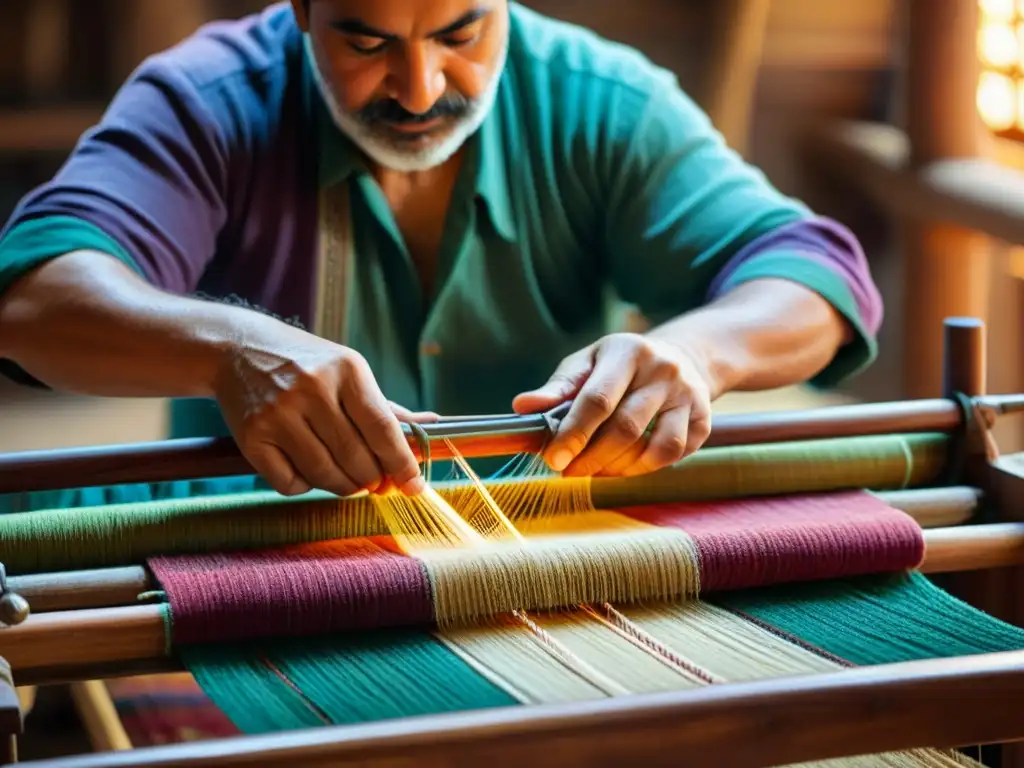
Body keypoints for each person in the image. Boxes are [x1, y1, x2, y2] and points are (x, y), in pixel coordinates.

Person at [0, 0, 882, 513]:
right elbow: (34, 296)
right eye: (367, 42)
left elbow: (811, 273)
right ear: (302, 12)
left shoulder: (602, 103)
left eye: (460, 35)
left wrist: (698, 354)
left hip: (558, 562)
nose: (420, 89)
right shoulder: (210, 101)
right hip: (256, 570)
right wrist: (229, 351)